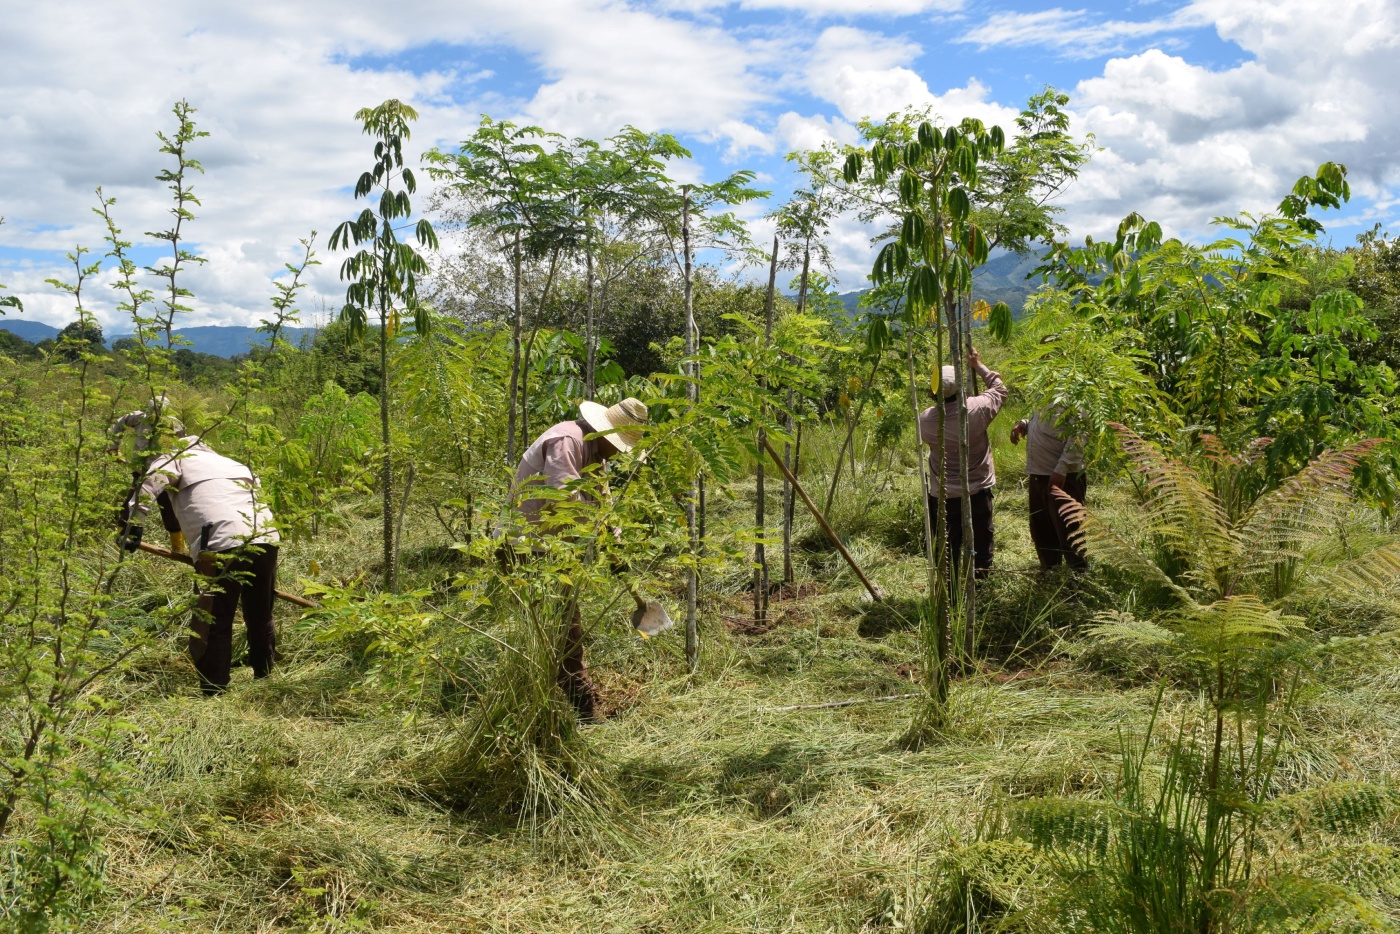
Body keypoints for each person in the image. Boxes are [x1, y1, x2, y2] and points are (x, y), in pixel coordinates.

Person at [508, 397, 648, 721]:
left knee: (560, 627)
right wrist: (594, 534)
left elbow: (604, 508)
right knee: (562, 629)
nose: (617, 452)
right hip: (529, 547)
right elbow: (564, 503)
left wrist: (616, 550)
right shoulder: (566, 441)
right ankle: (581, 710)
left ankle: (556, 704)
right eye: (618, 444)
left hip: (556, 546)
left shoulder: (596, 457)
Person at [120, 436, 280, 696]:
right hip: (265, 536)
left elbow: (149, 486)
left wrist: (133, 524)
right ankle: (264, 676)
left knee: (213, 618)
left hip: (219, 543)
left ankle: (213, 690)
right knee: (260, 612)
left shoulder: (174, 458)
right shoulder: (231, 463)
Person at [919, 348, 1008, 578]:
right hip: (977, 492)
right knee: (981, 543)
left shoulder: (926, 421)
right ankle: (979, 585)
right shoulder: (977, 409)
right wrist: (978, 365)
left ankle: (949, 590)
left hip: (943, 496)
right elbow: (1000, 388)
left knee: (947, 548)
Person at [109, 394, 188, 553]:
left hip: (164, 474)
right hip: (142, 472)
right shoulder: (138, 419)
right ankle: (118, 544)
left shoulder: (174, 424)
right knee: (130, 505)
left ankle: (178, 549)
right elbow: (120, 423)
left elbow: (182, 447)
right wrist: (113, 448)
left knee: (170, 511)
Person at [1010, 410, 1087, 570]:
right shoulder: (1044, 391)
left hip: (1064, 477)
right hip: (1039, 474)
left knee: (1070, 530)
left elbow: (1079, 433)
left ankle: (1078, 580)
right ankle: (1051, 572)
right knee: (1041, 527)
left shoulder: (1074, 394)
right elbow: (1046, 424)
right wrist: (1025, 424)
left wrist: (1062, 468)